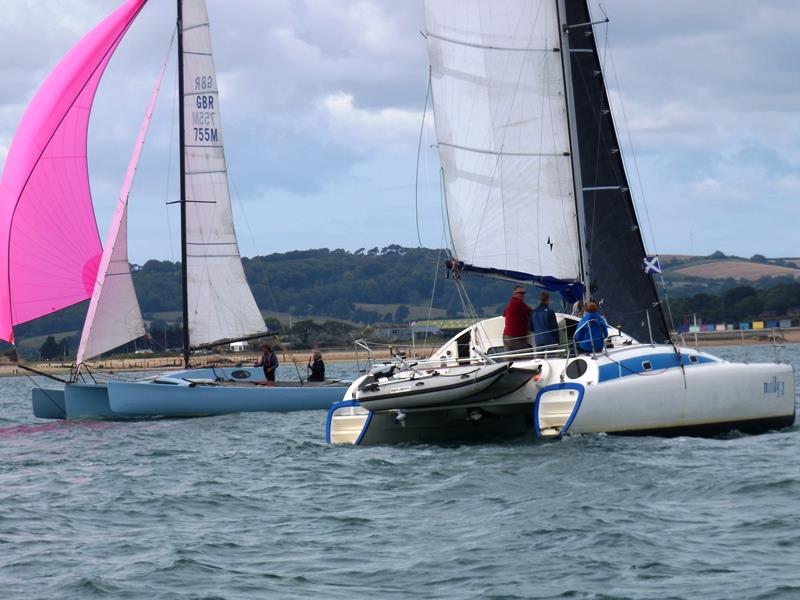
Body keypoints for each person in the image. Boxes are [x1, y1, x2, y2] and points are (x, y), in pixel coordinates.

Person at [502, 285, 532, 352]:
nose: (523, 295)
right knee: (529, 356)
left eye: (524, 293)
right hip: (515, 338)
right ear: (514, 294)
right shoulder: (519, 303)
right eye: (521, 293)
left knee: (511, 360)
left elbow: (504, 314)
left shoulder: (511, 303)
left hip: (506, 336)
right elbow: (532, 313)